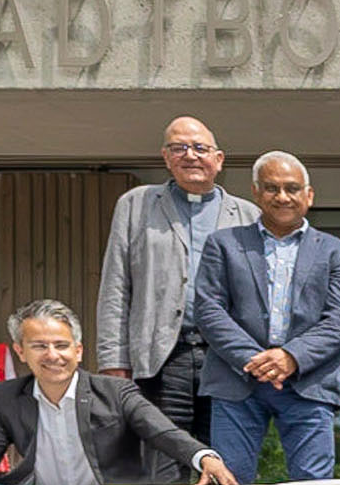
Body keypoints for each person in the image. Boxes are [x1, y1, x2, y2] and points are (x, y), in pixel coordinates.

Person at [0, 298, 236, 485]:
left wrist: (204, 456)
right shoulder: (6, 396)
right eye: (39, 346)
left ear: (78, 351)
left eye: (61, 345)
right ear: (20, 352)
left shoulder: (116, 391)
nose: (52, 356)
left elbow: (162, 430)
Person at [191, 152, 340, 482]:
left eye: (292, 188)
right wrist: (255, 360)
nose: (282, 197)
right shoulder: (223, 244)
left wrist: (290, 357)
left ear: (308, 195)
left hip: (309, 381)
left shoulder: (337, 251)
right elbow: (209, 310)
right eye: (272, 188)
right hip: (235, 378)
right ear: (256, 193)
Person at [97, 115, 261, 445]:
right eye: (179, 147)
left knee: (224, 460)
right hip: (161, 357)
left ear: (219, 159)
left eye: (200, 148)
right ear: (165, 157)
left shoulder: (248, 216)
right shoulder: (136, 204)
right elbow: (116, 284)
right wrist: (114, 360)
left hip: (227, 360)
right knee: (163, 462)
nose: (190, 155)